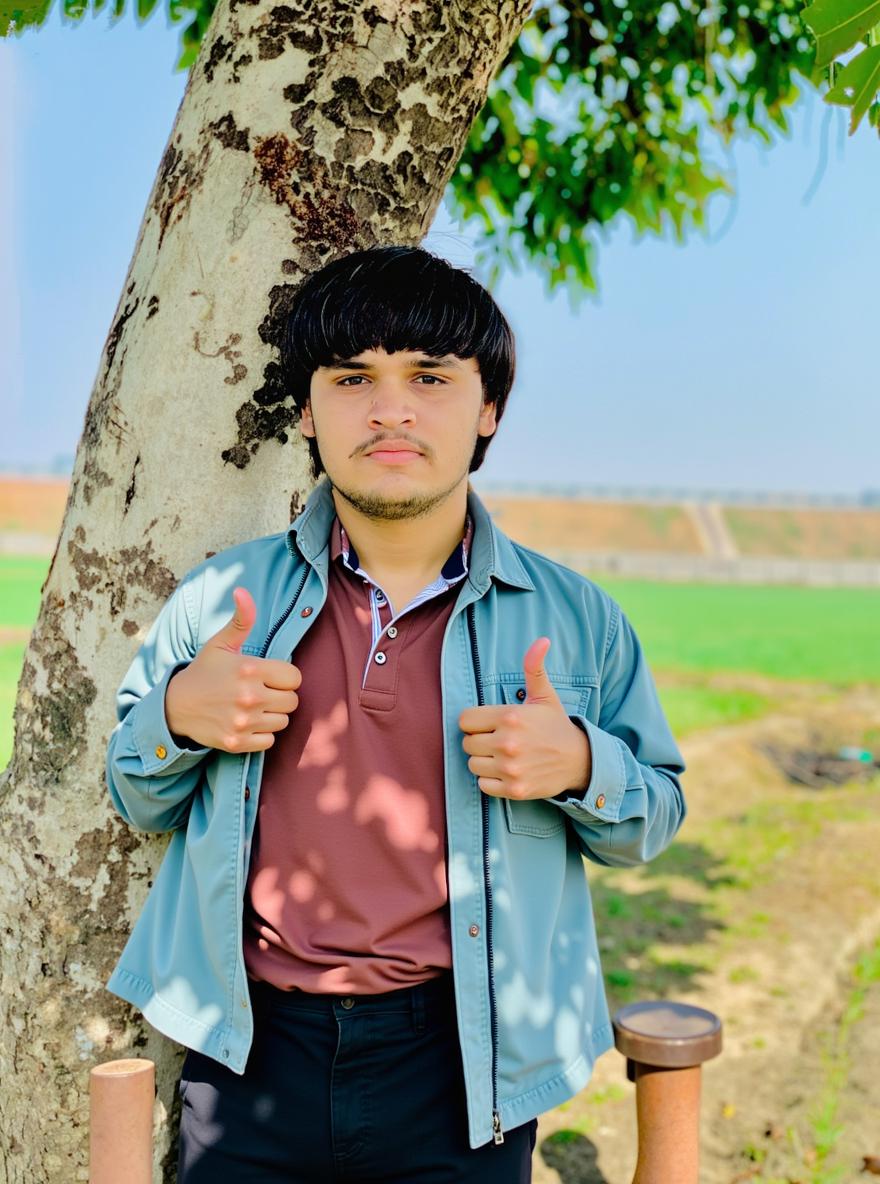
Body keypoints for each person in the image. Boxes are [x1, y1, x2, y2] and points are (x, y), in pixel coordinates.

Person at [105, 245, 686, 1183]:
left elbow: (651, 819)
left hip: (470, 1054)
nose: (391, 409)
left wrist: (581, 764)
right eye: (351, 378)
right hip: (252, 1046)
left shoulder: (576, 618)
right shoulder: (221, 597)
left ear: (488, 407)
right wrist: (176, 711)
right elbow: (133, 794)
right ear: (306, 408)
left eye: (429, 377)